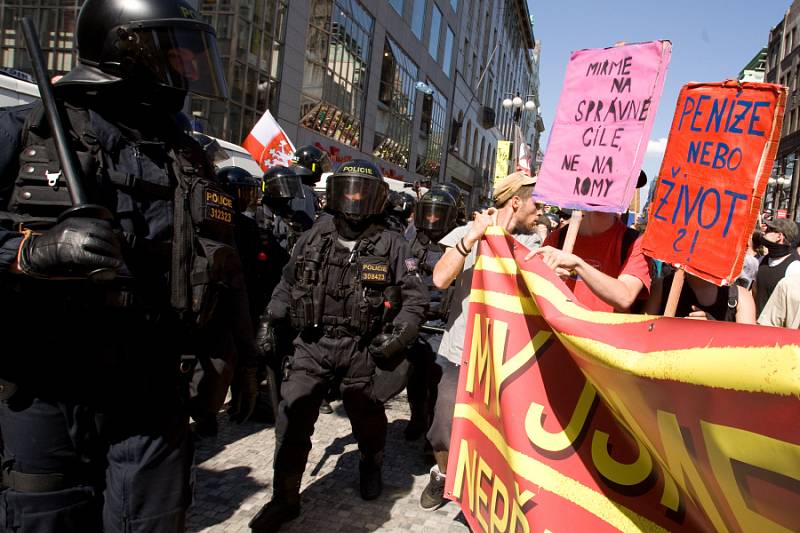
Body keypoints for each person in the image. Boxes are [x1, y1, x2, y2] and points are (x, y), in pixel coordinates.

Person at [0, 0, 257, 531]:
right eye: (176, 55)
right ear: (124, 49)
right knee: (46, 516)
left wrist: (244, 357)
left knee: (152, 521)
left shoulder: (191, 156)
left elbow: (225, 271)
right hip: (47, 381)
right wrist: (28, 251)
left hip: (152, 385)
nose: (187, 70)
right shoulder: (27, 132)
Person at [249, 159, 427, 531]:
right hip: (312, 344)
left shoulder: (392, 244)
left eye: (363, 192)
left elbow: (415, 301)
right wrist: (269, 319)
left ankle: (370, 461)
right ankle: (285, 498)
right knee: (292, 416)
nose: (355, 199)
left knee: (366, 418)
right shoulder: (314, 235)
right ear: (335, 194)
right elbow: (286, 283)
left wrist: (398, 337)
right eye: (348, 190)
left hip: (360, 348)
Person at [419, 172, 542, 511]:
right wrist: (472, 237)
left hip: (504, 359)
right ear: (516, 201)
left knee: (499, 435)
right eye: (536, 203)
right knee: (443, 429)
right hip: (458, 353)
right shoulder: (467, 234)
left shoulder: (533, 246)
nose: (540, 212)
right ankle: (442, 474)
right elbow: (441, 279)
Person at [529, 210, 651, 313]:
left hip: (603, 339)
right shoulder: (557, 238)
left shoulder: (635, 242)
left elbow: (625, 298)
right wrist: (546, 279)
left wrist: (578, 264)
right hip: (559, 335)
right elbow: (535, 294)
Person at [644, 272, 756, 323]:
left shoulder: (740, 297)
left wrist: (714, 331)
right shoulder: (662, 287)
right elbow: (645, 332)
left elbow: (748, 347)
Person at [755, 218, 800, 314]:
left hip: (777, 328)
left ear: (779, 236)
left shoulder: (795, 268)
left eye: (769, 230)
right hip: (755, 326)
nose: (764, 233)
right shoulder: (762, 260)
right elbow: (754, 292)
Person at [289, 144, 332, 222]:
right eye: (321, 165)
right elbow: (306, 226)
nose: (322, 169)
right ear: (313, 167)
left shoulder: (292, 185)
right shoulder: (303, 191)